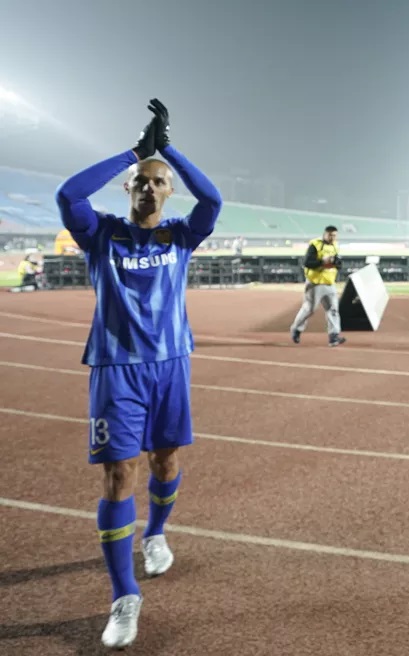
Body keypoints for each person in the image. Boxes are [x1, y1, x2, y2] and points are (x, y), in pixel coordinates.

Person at [54, 98, 221, 649]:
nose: (149, 188)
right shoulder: (99, 234)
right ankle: (124, 596)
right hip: (115, 370)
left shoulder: (180, 236)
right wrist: (135, 152)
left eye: (158, 182)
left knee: (167, 459)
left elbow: (214, 198)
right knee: (117, 476)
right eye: (140, 182)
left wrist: (167, 150)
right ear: (127, 190)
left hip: (171, 367)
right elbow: (68, 194)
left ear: (169, 191)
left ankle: (154, 534)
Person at [289, 225, 346, 346]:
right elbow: (307, 263)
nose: (332, 237)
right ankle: (296, 329)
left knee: (333, 310)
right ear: (325, 234)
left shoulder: (335, 245)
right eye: (330, 235)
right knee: (309, 309)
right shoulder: (315, 245)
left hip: (329, 283)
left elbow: (337, 263)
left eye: (334, 235)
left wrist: (337, 263)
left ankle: (334, 336)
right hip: (315, 284)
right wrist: (323, 262)